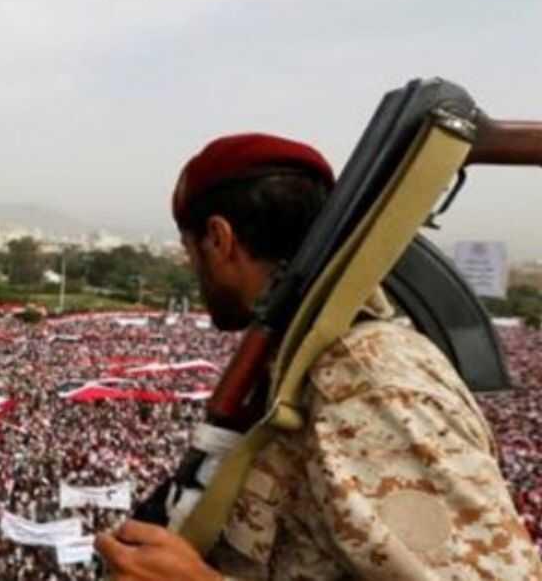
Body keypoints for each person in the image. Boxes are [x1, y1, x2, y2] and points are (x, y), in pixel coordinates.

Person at [95, 133, 542, 580]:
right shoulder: (303, 363)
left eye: (192, 252)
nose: (194, 270)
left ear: (219, 237)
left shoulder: (365, 379)